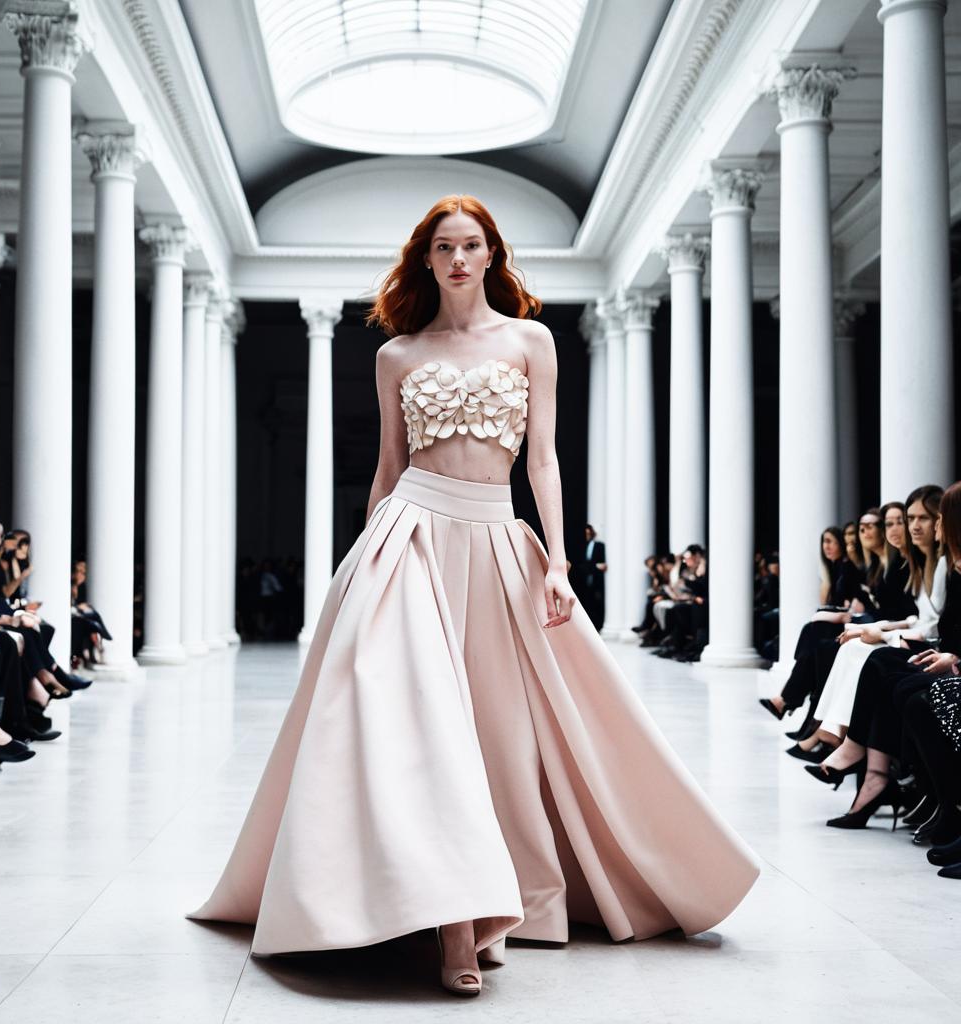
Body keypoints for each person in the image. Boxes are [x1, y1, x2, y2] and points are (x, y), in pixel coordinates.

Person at [187, 194, 759, 997]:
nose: (458, 259)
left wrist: (559, 562)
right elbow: (388, 467)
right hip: (410, 537)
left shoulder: (531, 340)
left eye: (473, 245)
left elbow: (544, 463)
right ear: (426, 258)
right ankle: (455, 923)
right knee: (417, 723)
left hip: (497, 542)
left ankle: (511, 896)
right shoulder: (397, 355)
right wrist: (362, 555)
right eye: (444, 247)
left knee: (504, 733)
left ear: (492, 255)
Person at [577, 523, 606, 631]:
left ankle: (598, 627)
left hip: (597, 582)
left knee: (597, 604)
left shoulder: (600, 546)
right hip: (584, 582)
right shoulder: (581, 547)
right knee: (587, 605)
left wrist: (591, 566)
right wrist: (595, 566)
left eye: (589, 533)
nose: (587, 535)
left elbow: (604, 565)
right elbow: (581, 566)